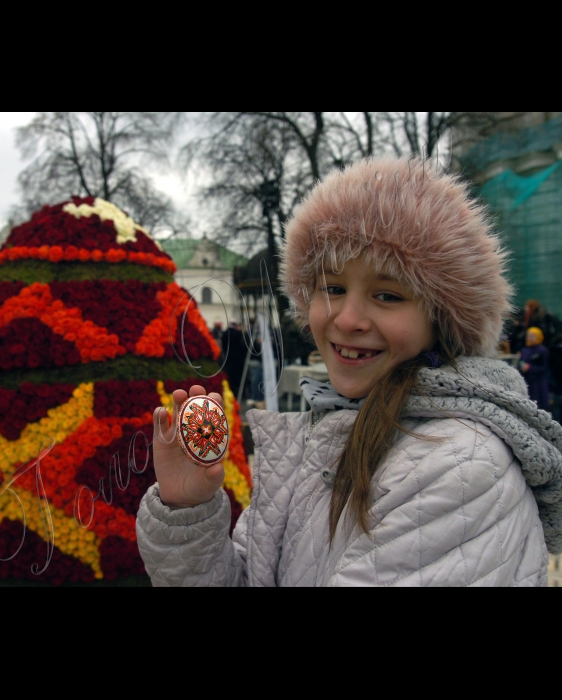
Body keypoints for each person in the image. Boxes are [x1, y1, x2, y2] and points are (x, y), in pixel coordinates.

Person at [137, 157, 562, 587]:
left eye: (387, 295)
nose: (347, 319)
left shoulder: (457, 463)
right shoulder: (336, 426)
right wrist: (187, 513)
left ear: (443, 317)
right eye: (333, 288)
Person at [520, 328, 551, 412]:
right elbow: (521, 362)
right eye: (528, 335)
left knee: (541, 406)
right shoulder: (524, 350)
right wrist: (522, 367)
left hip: (539, 382)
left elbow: (544, 367)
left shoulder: (542, 350)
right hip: (527, 381)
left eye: (532, 335)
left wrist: (530, 367)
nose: (529, 337)